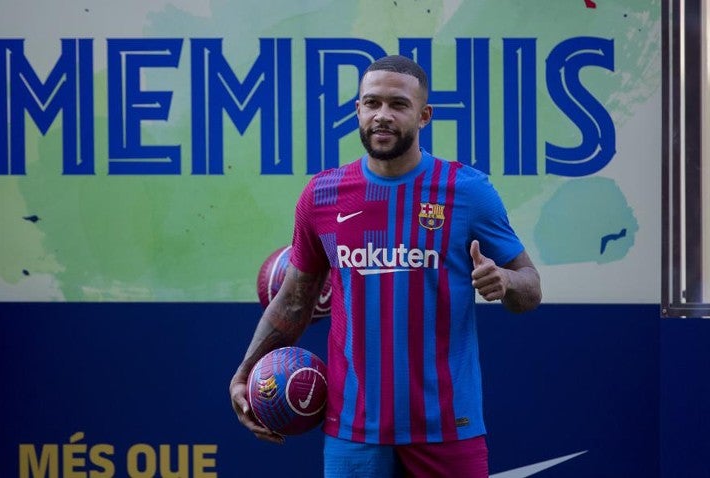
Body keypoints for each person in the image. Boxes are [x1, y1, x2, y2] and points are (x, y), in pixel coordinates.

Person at [229, 55, 542, 478]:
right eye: (372, 103)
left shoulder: (467, 191)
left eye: (398, 104)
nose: (382, 115)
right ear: (357, 110)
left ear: (424, 116)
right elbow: (294, 301)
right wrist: (244, 373)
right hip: (353, 431)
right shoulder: (321, 195)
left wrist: (504, 280)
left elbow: (531, 288)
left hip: (448, 427)